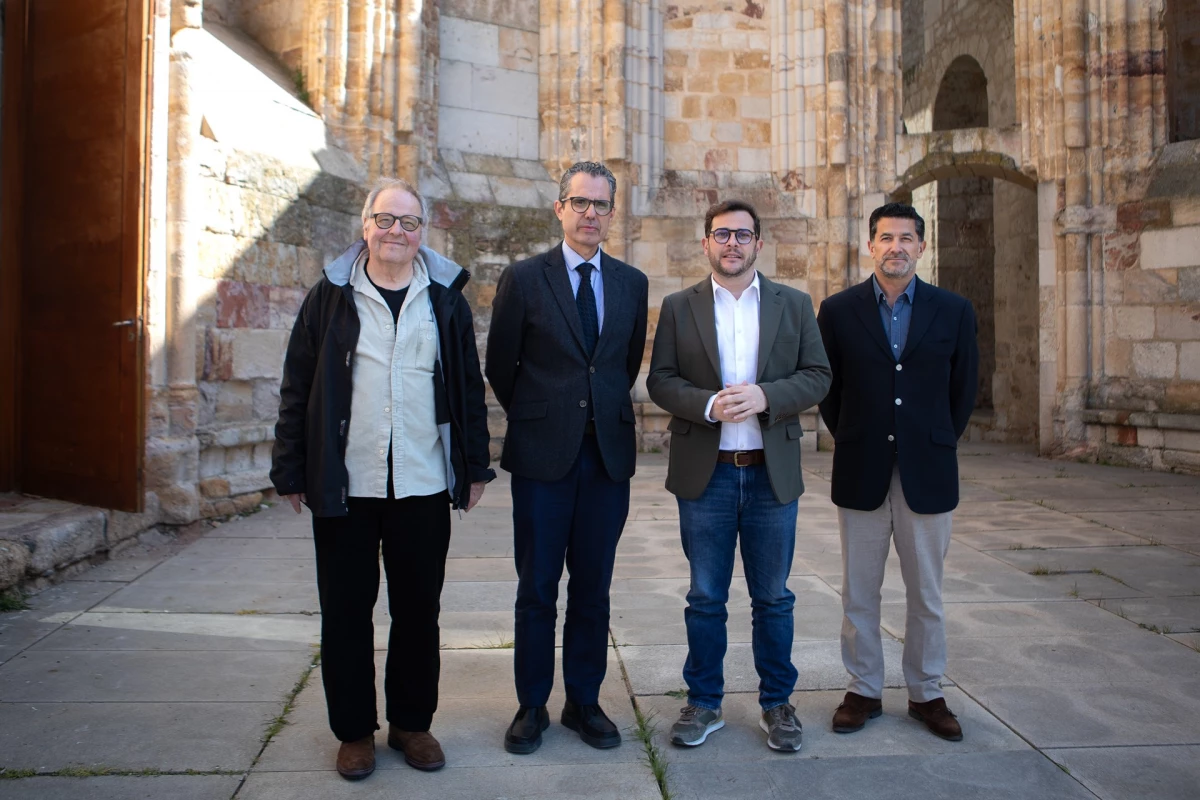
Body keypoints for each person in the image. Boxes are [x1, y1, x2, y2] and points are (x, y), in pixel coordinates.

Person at [270, 177, 495, 779]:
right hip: (346, 484)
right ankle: (354, 732)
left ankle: (412, 724)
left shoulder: (445, 299)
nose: (397, 232)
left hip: (420, 482)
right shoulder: (331, 296)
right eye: (386, 220)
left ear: (423, 234)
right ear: (365, 226)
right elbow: (298, 385)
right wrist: (290, 467)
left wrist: (474, 467)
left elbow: (467, 390)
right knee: (345, 610)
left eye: (410, 223)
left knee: (419, 610)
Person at [646, 199, 831, 752]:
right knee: (705, 596)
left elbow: (818, 375)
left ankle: (778, 704)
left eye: (742, 235)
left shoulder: (794, 305)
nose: (732, 244)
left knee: (773, 597)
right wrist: (707, 406)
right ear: (705, 243)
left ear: (758, 244)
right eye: (721, 234)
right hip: (708, 476)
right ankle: (703, 703)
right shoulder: (679, 307)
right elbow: (660, 380)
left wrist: (766, 396)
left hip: (771, 476)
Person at [485, 161, 649, 754]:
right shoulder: (526, 278)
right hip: (541, 460)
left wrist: (592, 411)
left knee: (594, 588)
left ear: (612, 212)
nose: (590, 214)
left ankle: (583, 700)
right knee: (537, 587)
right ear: (560, 208)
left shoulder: (632, 283)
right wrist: (544, 413)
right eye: (580, 203)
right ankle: (531, 704)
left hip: (606, 460)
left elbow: (622, 365)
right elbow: (501, 365)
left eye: (601, 205)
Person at [816, 202, 978, 741]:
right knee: (859, 591)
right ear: (871, 245)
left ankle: (926, 693)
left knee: (925, 592)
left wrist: (932, 440)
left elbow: (964, 391)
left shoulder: (953, 310)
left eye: (907, 238)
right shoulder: (838, 311)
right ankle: (863, 689)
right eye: (886, 237)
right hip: (862, 465)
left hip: (927, 471)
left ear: (921, 247)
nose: (896, 247)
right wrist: (855, 434)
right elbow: (829, 391)